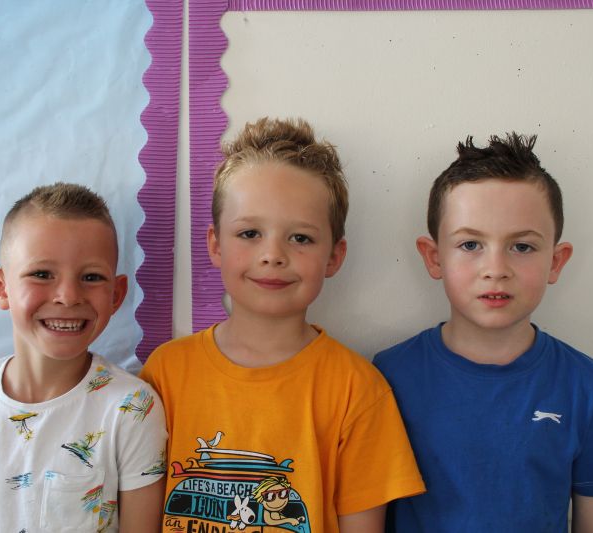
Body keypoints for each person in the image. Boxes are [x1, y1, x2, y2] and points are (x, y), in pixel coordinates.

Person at [140, 117, 424, 533]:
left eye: (300, 238)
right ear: (215, 244)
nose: (272, 254)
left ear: (334, 256)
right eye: (250, 233)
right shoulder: (165, 373)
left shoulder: (358, 390)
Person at [374, 133, 593, 532]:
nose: (496, 269)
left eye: (522, 247)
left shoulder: (585, 384)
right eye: (470, 244)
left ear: (556, 261)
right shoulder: (388, 377)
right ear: (434, 257)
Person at [0, 183, 167, 533]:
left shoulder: (131, 408)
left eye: (91, 277)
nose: (68, 296)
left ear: (116, 295)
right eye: (41, 274)